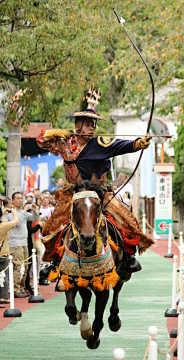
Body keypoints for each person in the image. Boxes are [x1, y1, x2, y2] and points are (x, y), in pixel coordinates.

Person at [36, 85, 153, 273]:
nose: (92, 128)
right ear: (78, 125)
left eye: (93, 125)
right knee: (51, 227)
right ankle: (53, 262)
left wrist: (137, 143)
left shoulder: (99, 143)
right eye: (88, 124)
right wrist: (54, 133)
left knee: (126, 220)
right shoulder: (66, 141)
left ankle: (127, 258)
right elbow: (41, 141)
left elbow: (119, 145)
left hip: (98, 193)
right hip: (71, 193)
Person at [2, 192, 39, 298]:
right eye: (18, 198)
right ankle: (16, 290)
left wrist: (35, 209)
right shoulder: (9, 213)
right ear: (13, 201)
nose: (20, 200)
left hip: (24, 243)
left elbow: (34, 218)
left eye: (21, 198)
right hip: (15, 243)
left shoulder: (23, 212)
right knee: (18, 267)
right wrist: (22, 212)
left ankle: (22, 288)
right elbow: (16, 223)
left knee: (26, 267)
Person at [0, 207, 18, 306]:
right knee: (4, 277)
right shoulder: (3, 226)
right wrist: (14, 213)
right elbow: (15, 222)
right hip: (2, 254)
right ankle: (3, 296)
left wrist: (2, 213)